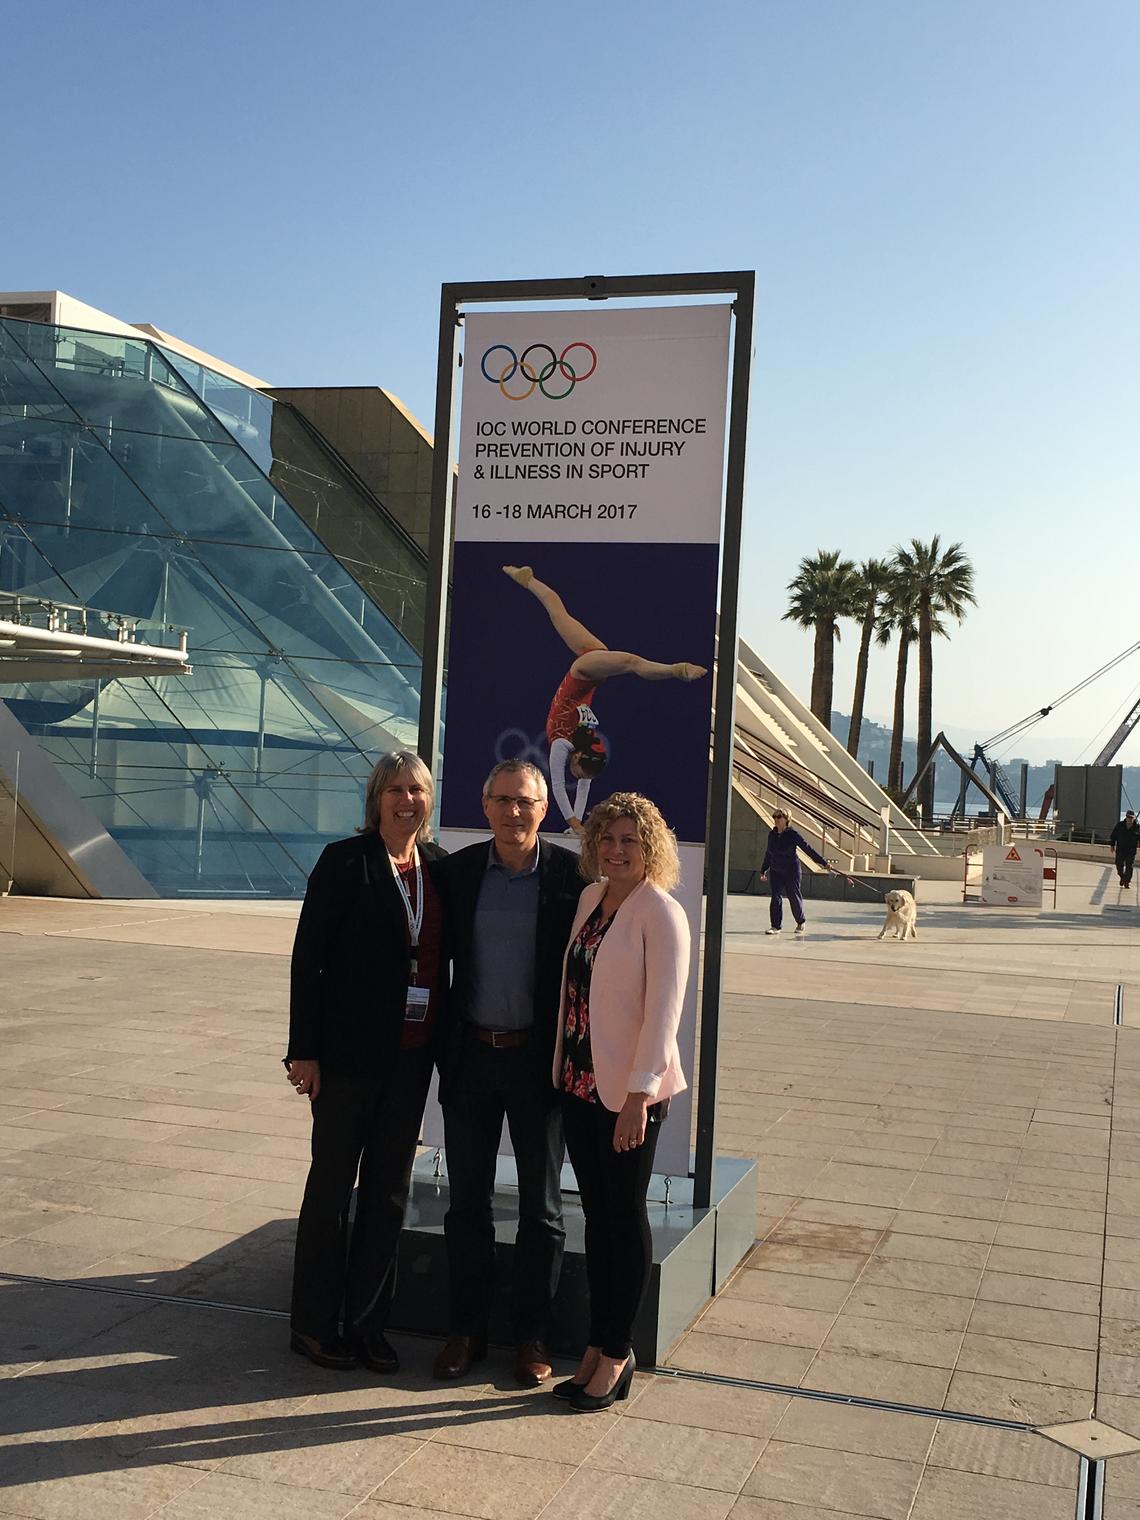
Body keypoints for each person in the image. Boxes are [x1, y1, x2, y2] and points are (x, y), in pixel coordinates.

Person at [285, 750, 447, 1372]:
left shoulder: (437, 868)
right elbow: (310, 959)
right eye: (396, 790)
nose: (408, 800)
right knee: (330, 1191)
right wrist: (305, 1051)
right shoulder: (344, 862)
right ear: (376, 798)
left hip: (411, 1061)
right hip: (347, 1061)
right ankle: (314, 1325)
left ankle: (368, 1324)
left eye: (418, 791)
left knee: (387, 1196)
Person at [432, 759, 584, 1385]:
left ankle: (532, 1336)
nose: (513, 812)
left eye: (526, 802)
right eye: (502, 800)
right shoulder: (457, 874)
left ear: (544, 809)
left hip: (537, 1062)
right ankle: (466, 1330)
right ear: (484, 805)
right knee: (465, 1203)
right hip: (470, 1057)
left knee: (542, 1210)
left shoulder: (573, 879)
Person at [552, 792, 689, 1413]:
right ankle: (597, 1343)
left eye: (630, 841)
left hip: (630, 1094)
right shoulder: (588, 900)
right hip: (582, 1084)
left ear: (651, 847)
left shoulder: (661, 913)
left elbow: (663, 1017)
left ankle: (617, 1351)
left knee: (624, 1217)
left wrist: (638, 1097)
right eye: (607, 839)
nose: (617, 850)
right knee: (598, 1222)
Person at [501, 565, 707, 833]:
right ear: (577, 761)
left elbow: (563, 787)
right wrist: (575, 823)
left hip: (586, 671)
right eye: (579, 773)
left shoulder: (564, 745)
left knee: (559, 613)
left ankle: (527, 580)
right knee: (630, 661)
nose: (576, 778)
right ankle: (675, 670)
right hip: (585, 672)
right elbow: (570, 785)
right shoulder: (581, 745)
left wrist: (576, 824)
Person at [760, 808, 830, 935]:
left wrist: (823, 862)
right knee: (775, 897)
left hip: (791, 869)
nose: (776, 819)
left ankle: (800, 921)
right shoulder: (772, 835)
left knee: (793, 896)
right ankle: (775, 926)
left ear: (787, 819)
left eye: (779, 817)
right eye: (775, 817)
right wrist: (763, 869)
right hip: (776, 870)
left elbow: (807, 848)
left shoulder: (793, 834)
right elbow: (769, 853)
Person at [1110, 809, 1140, 887]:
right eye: (1128, 817)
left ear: (1134, 818)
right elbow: (1113, 836)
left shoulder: (1137, 827)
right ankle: (1123, 877)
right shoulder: (1120, 825)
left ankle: (1127, 881)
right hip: (1120, 849)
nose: (1129, 819)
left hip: (1131, 851)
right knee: (1118, 864)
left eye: (1131, 817)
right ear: (1126, 817)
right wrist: (1112, 845)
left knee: (1129, 867)